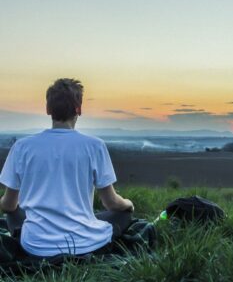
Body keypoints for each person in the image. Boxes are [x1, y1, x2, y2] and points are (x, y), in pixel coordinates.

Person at [0, 78, 135, 258]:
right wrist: (129, 204)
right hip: (85, 244)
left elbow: (8, 205)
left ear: (48, 109)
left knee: (13, 213)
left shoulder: (22, 147)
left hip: (36, 246)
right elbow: (110, 203)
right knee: (124, 215)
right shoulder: (95, 146)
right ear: (79, 109)